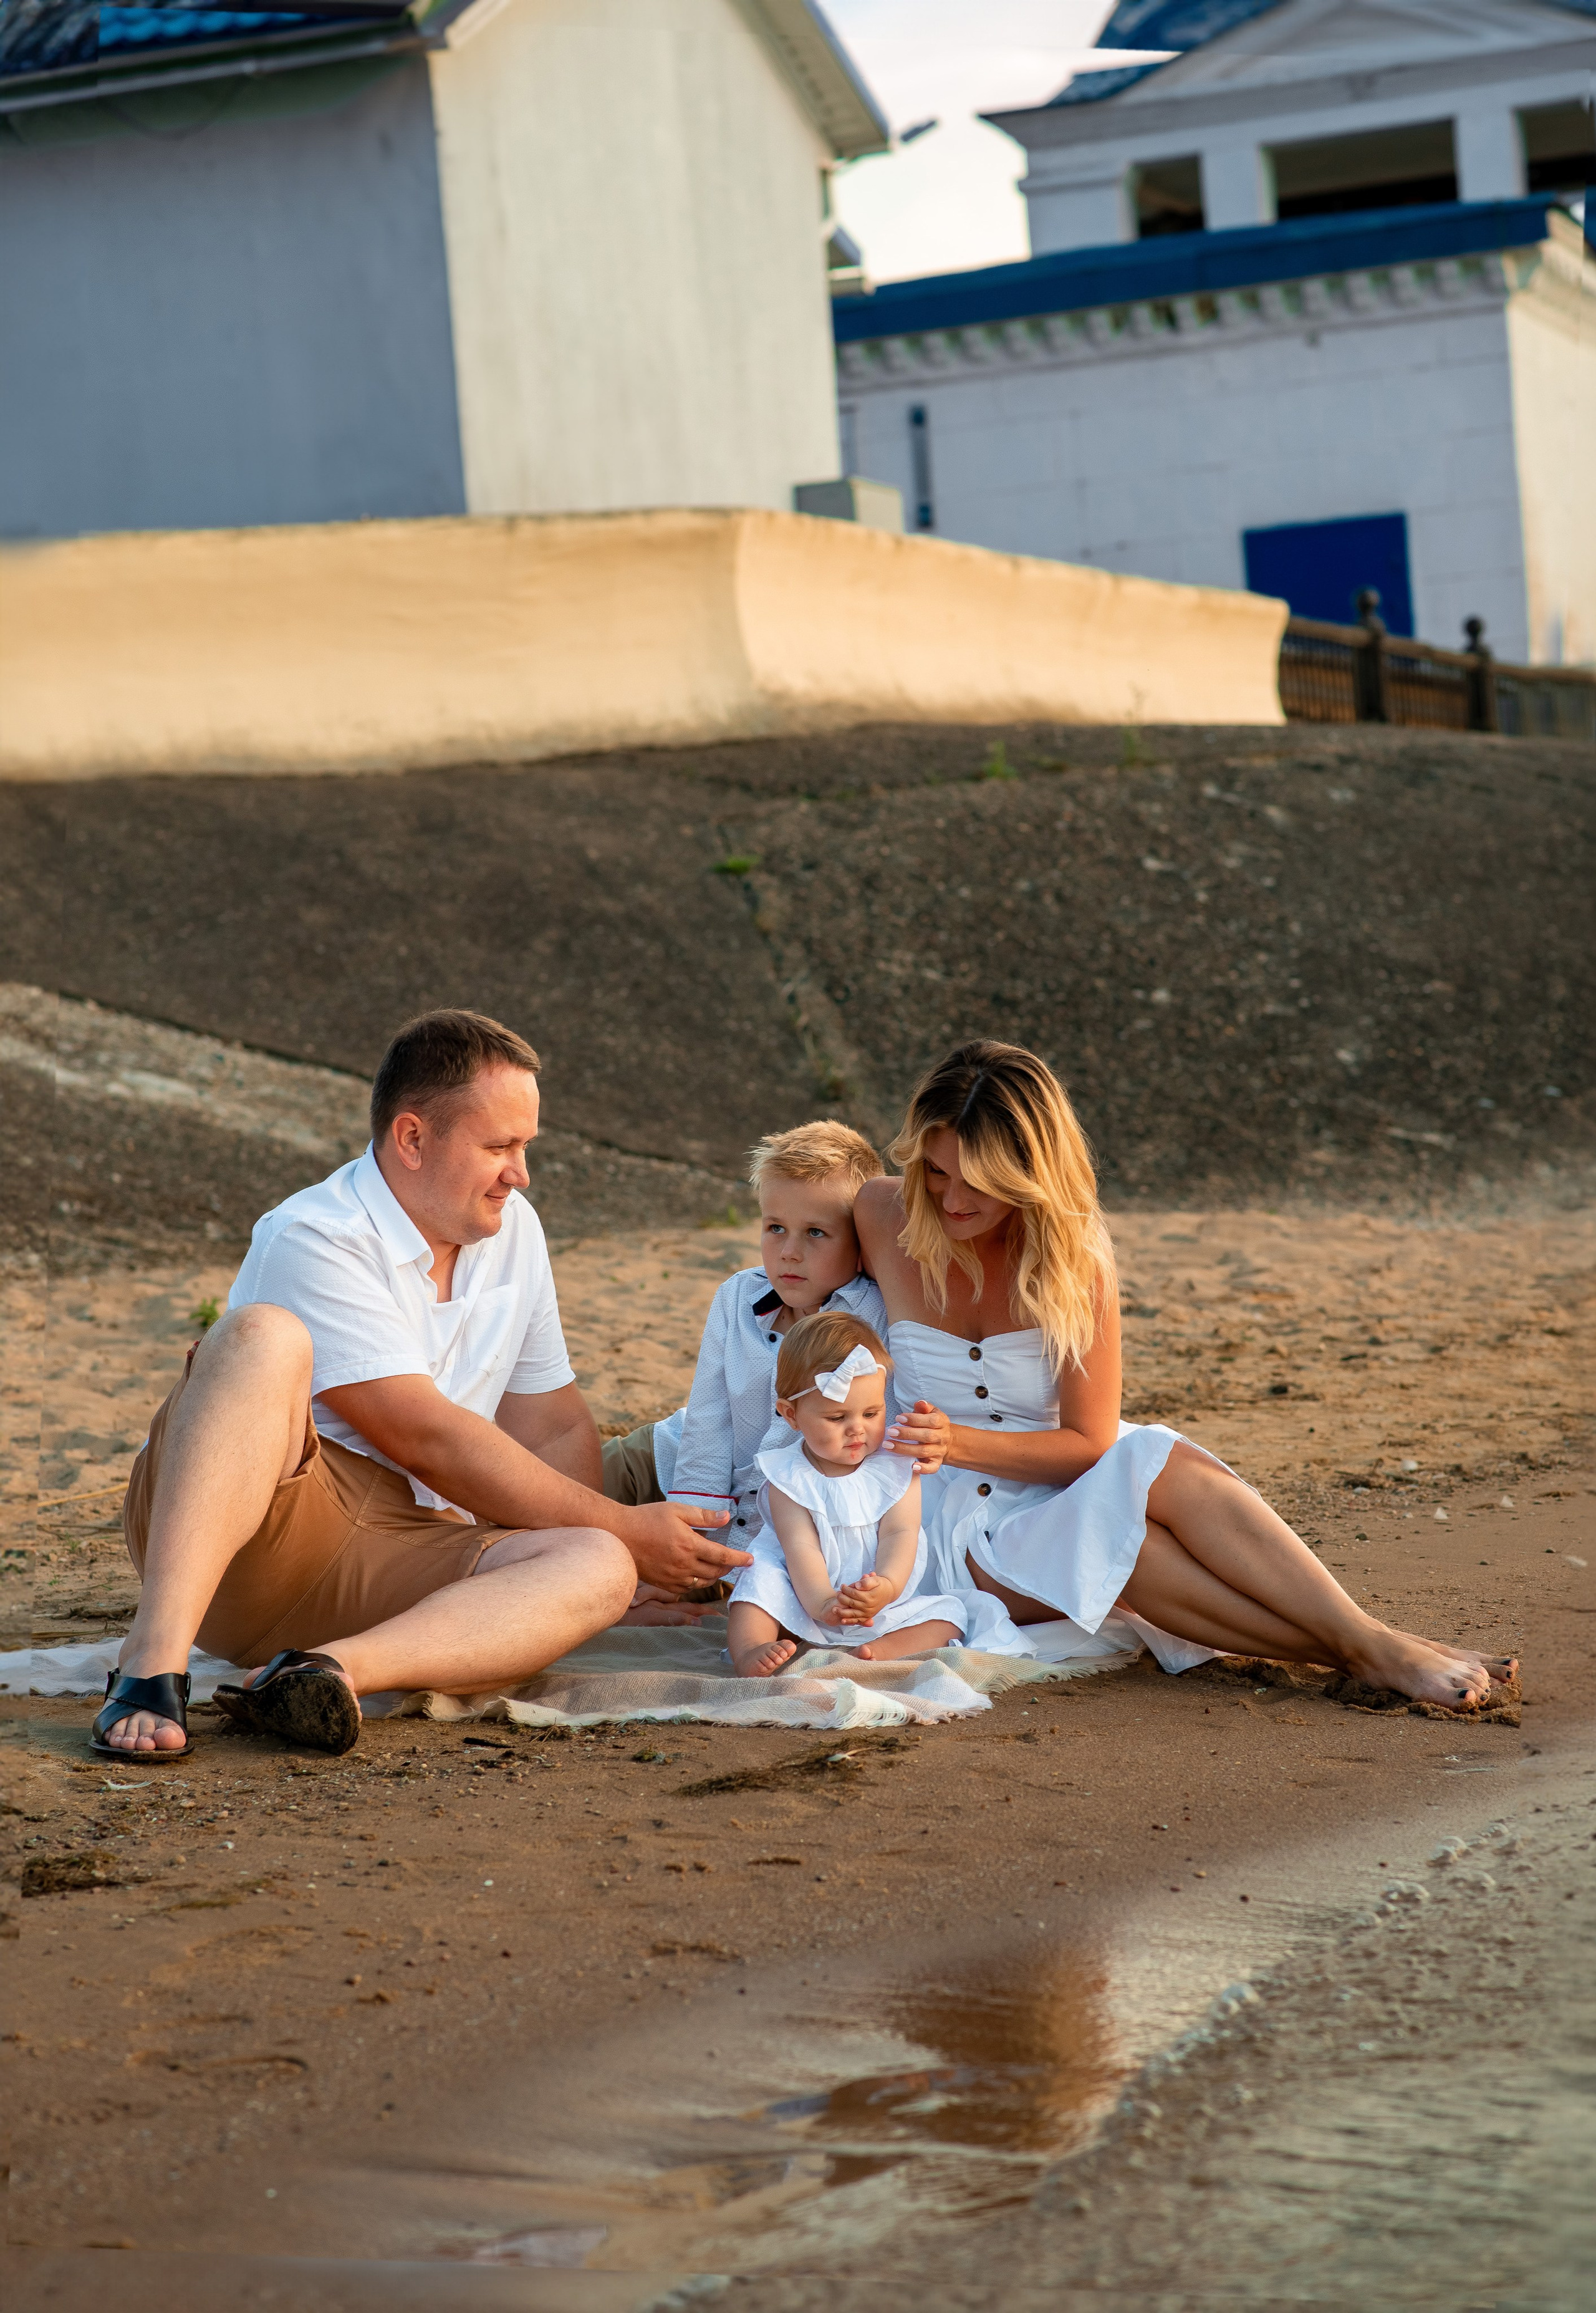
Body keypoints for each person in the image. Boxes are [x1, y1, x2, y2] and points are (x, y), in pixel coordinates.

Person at [92, 1010, 750, 1761]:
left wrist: (609, 1554)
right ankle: (150, 1663)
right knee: (259, 1334)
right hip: (261, 1533)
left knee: (594, 1564)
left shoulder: (514, 1230)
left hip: (402, 1549)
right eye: (499, 1146)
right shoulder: (314, 1235)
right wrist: (632, 1529)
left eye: (525, 1146)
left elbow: (550, 1421)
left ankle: (323, 1673)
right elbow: (425, 1436)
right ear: (412, 1138)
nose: (520, 1173)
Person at [855, 1040, 1515, 1712]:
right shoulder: (880, 1213)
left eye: (979, 1180)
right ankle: (1365, 1648)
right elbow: (771, 1275)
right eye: (937, 1171)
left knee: (1152, 1452)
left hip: (1047, 1482)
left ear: (1033, 1172)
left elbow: (1088, 1442)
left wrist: (954, 1438)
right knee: (1119, 1549)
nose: (952, 1199)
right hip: (935, 1524)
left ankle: (1372, 1638)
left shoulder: (1072, 1260)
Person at [602, 1119, 888, 1548]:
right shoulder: (738, 1295)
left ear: (862, 1244)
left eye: (816, 1232)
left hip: (774, 1516)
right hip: (676, 1459)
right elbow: (709, 1415)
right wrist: (695, 1524)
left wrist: (718, 1548)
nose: (790, 1251)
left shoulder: (873, 1320)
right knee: (547, 1485)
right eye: (775, 1228)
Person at [726, 1312, 966, 1676]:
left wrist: (886, 1586)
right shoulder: (789, 1477)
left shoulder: (896, 1464)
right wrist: (823, 1603)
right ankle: (752, 1650)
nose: (858, 1430)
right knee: (756, 1586)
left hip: (881, 1591)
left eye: (872, 1413)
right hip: (805, 1590)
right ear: (791, 1415)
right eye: (837, 1419)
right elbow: (800, 1547)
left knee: (951, 1617)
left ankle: (876, 1651)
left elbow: (901, 1533)